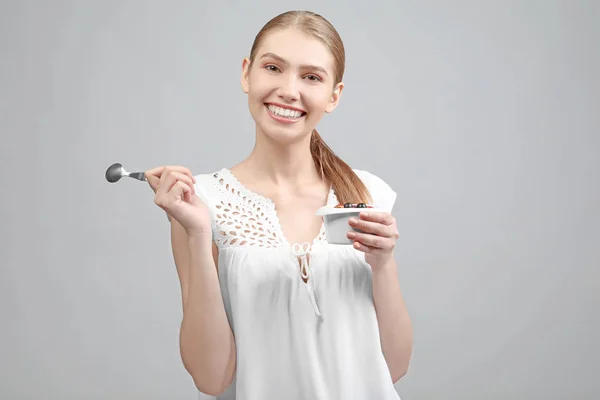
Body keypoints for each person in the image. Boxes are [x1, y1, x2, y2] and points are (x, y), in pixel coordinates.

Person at [145, 10, 413, 400]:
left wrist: (383, 263)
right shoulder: (200, 202)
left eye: (311, 77)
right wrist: (199, 232)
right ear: (246, 73)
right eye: (273, 68)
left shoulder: (366, 194)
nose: (289, 90)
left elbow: (395, 367)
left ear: (333, 95)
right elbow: (210, 377)